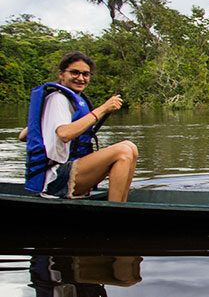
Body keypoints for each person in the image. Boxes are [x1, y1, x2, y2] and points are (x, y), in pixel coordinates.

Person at [20, 51, 138, 202]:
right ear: (62, 74)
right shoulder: (58, 99)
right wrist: (103, 109)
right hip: (54, 179)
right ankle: (114, 210)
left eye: (85, 74)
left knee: (130, 147)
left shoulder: (68, 100)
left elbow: (23, 136)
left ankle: (121, 204)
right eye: (75, 72)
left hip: (66, 172)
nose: (81, 78)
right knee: (123, 151)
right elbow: (64, 134)